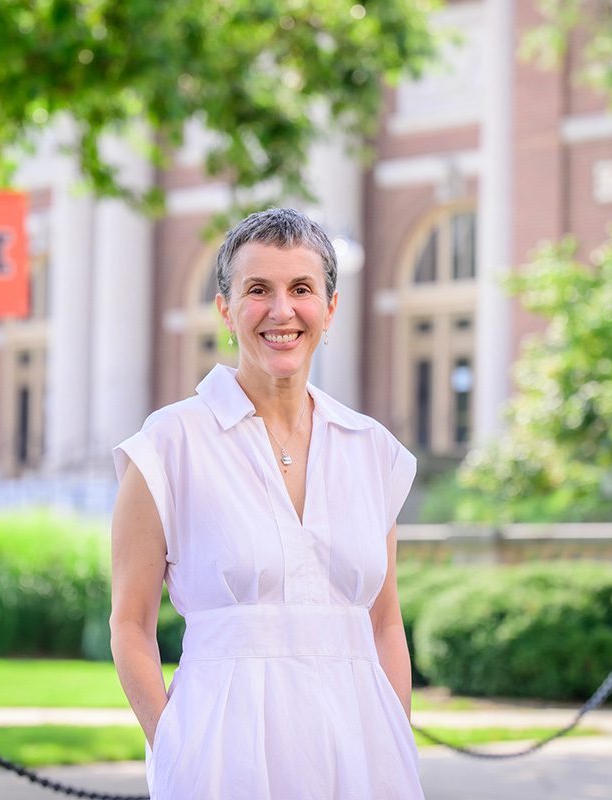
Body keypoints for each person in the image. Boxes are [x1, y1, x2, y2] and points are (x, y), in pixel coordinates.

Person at [110, 207, 424, 799]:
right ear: (227, 310)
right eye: (258, 290)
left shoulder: (372, 450)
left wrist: (394, 738)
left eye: (301, 289)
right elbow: (129, 623)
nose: (282, 311)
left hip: (363, 757)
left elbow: (384, 622)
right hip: (223, 756)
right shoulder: (170, 443)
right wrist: (174, 744)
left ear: (329, 309)